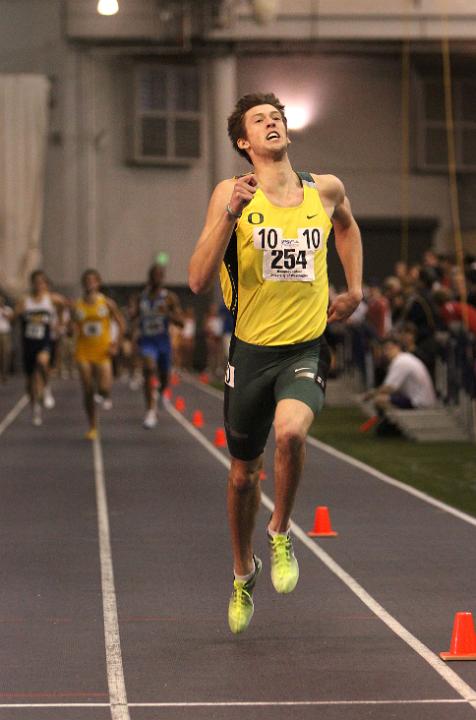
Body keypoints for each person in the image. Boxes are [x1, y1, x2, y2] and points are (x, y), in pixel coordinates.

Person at [189, 92, 363, 634]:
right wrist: (229, 214)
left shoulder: (324, 189)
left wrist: (355, 289)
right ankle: (244, 571)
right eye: (259, 120)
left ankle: (281, 531)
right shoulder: (231, 193)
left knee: (291, 434)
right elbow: (196, 279)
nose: (272, 123)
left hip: (305, 348)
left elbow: (348, 229)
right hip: (250, 353)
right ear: (243, 142)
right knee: (243, 476)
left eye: (276, 117)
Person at [72, 269, 125, 440]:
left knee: (103, 388)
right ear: (83, 283)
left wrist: (116, 344)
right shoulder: (77, 305)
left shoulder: (107, 303)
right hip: (83, 351)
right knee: (87, 389)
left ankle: (103, 395)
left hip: (103, 351)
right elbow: (69, 326)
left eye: (93, 280)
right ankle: (93, 426)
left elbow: (121, 324)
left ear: (98, 283)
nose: (89, 283)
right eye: (86, 281)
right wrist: (64, 329)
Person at [14, 270, 67, 426]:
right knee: (30, 384)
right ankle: (35, 410)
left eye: (42, 282)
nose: (39, 285)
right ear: (32, 284)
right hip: (28, 343)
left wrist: (60, 323)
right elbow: (14, 318)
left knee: (43, 362)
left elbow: (63, 305)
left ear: (46, 284)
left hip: (44, 341)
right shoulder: (25, 301)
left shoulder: (51, 299)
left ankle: (47, 388)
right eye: (36, 282)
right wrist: (16, 314)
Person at [136, 264, 184, 429]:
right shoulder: (141, 297)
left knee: (164, 378)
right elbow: (133, 315)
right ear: (150, 277)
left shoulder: (169, 298)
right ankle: (150, 411)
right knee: (148, 370)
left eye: (160, 275)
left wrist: (168, 313)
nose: (157, 278)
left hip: (163, 342)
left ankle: (161, 391)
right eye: (154, 275)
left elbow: (181, 322)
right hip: (147, 342)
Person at [364, 335, 436, 412]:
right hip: (423, 400)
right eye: (385, 349)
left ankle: (389, 423)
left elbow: (389, 388)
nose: (386, 352)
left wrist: (371, 394)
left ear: (397, 347)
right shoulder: (404, 358)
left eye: (389, 349)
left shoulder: (400, 361)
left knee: (379, 399)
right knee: (385, 397)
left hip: (419, 402)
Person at [0, 294, 14, 383]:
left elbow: (12, 319)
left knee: (6, 353)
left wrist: (4, 312)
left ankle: (4, 374)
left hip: (5, 333)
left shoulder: (8, 309)